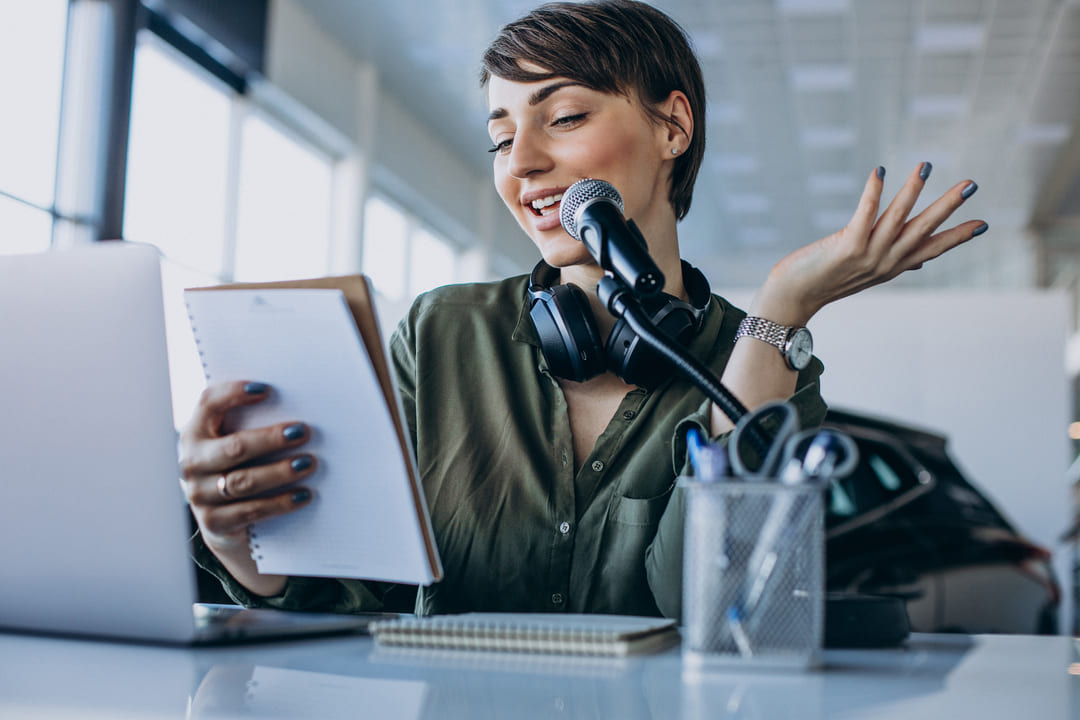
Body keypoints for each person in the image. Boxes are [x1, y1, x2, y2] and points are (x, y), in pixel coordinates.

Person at [181, 0, 987, 620]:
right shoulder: (441, 334)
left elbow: (720, 602)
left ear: (672, 126)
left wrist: (783, 305)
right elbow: (349, 604)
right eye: (501, 137)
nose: (523, 162)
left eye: (563, 117)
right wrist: (241, 543)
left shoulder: (766, 366)